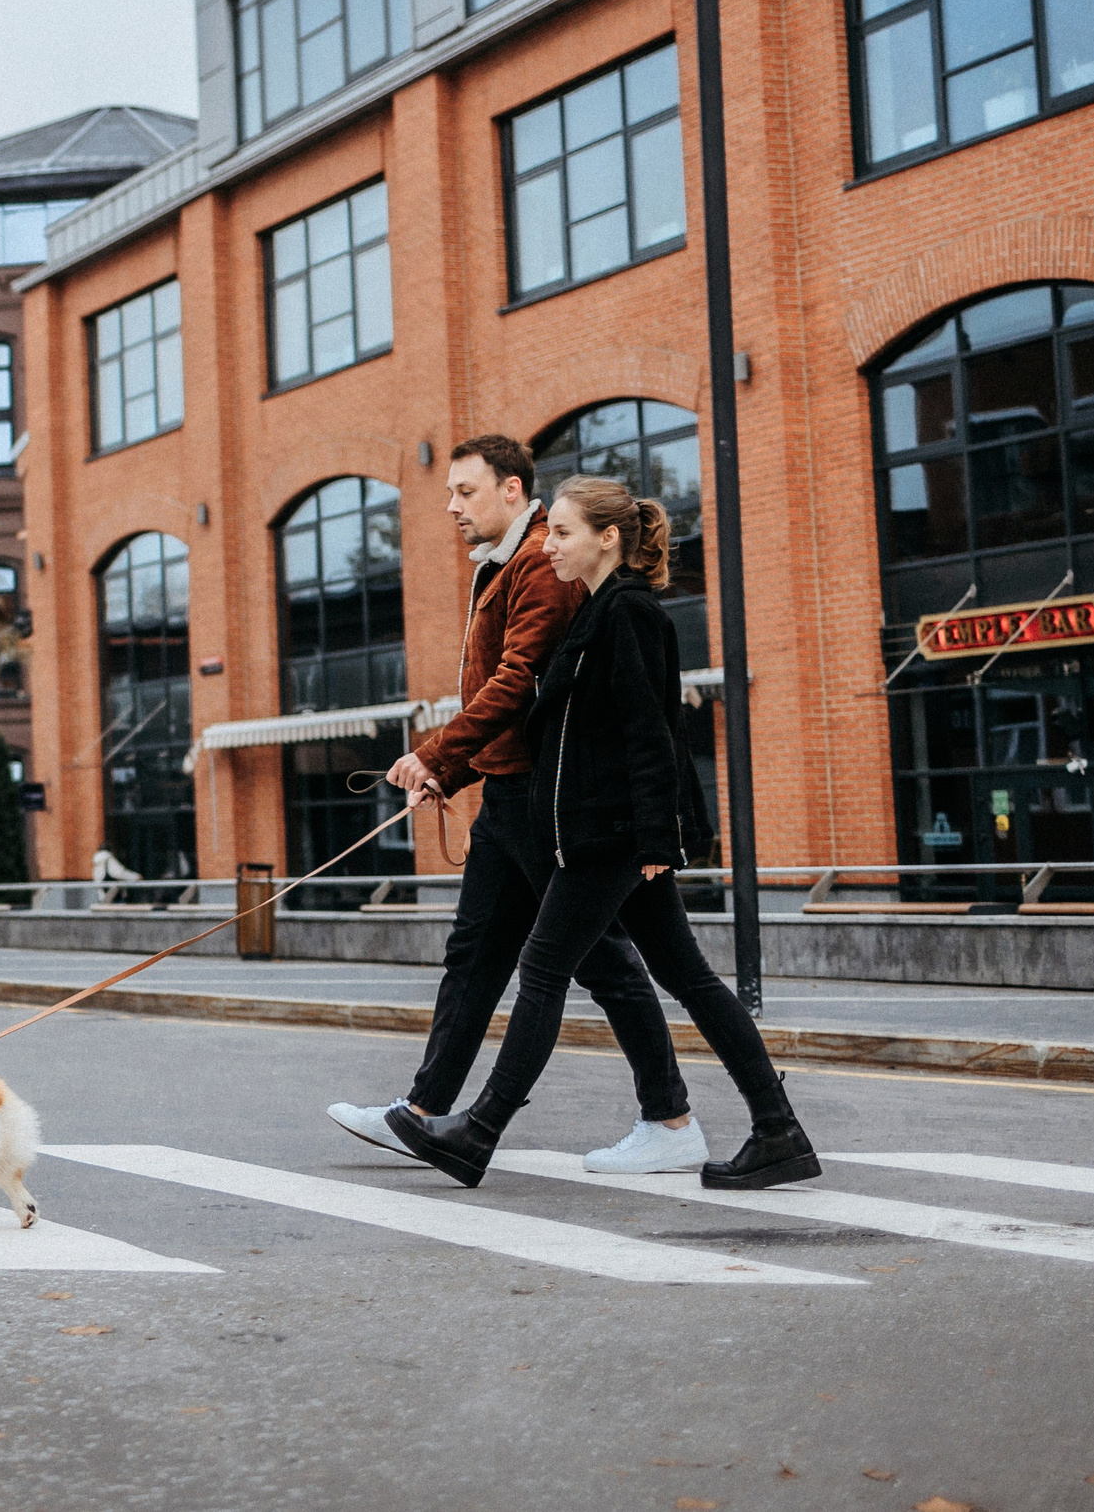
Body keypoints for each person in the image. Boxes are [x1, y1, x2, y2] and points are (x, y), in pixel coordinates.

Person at [383, 476, 819, 1191]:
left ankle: (478, 1132)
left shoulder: (630, 614)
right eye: (548, 530)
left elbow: (653, 735)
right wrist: (451, 773)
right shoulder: (595, 612)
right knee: (691, 979)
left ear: (606, 538)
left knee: (546, 969)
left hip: (613, 835)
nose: (547, 544)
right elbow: (555, 731)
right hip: (605, 833)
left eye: (561, 532)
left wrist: (656, 842)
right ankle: (778, 1130)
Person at [328, 436, 700, 1175]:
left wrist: (435, 753)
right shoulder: (503, 565)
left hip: (544, 797)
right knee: (476, 955)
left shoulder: (538, 562)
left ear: (511, 489)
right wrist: (459, 774)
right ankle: (424, 1109)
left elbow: (515, 686)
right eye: (450, 495)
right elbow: (512, 702)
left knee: (598, 963)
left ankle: (669, 1114)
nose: (453, 508)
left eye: (466, 492)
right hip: (508, 792)